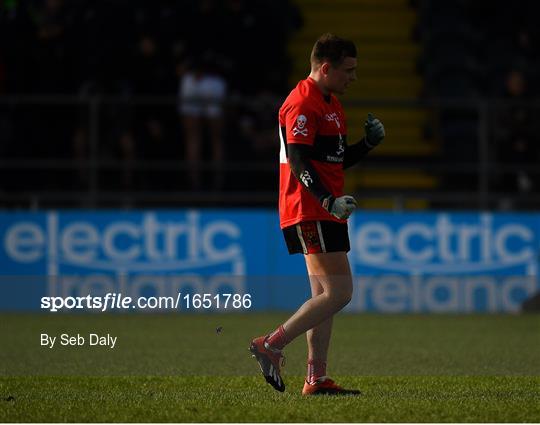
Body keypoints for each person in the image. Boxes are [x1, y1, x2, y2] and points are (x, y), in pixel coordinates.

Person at [250, 33, 385, 395]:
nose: (353, 78)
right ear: (325, 68)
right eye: (348, 70)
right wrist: (327, 201)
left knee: (324, 296)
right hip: (309, 208)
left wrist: (367, 145)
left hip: (324, 209)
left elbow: (335, 160)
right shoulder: (302, 102)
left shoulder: (331, 103)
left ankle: (316, 377)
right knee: (340, 292)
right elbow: (297, 160)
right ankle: (271, 344)